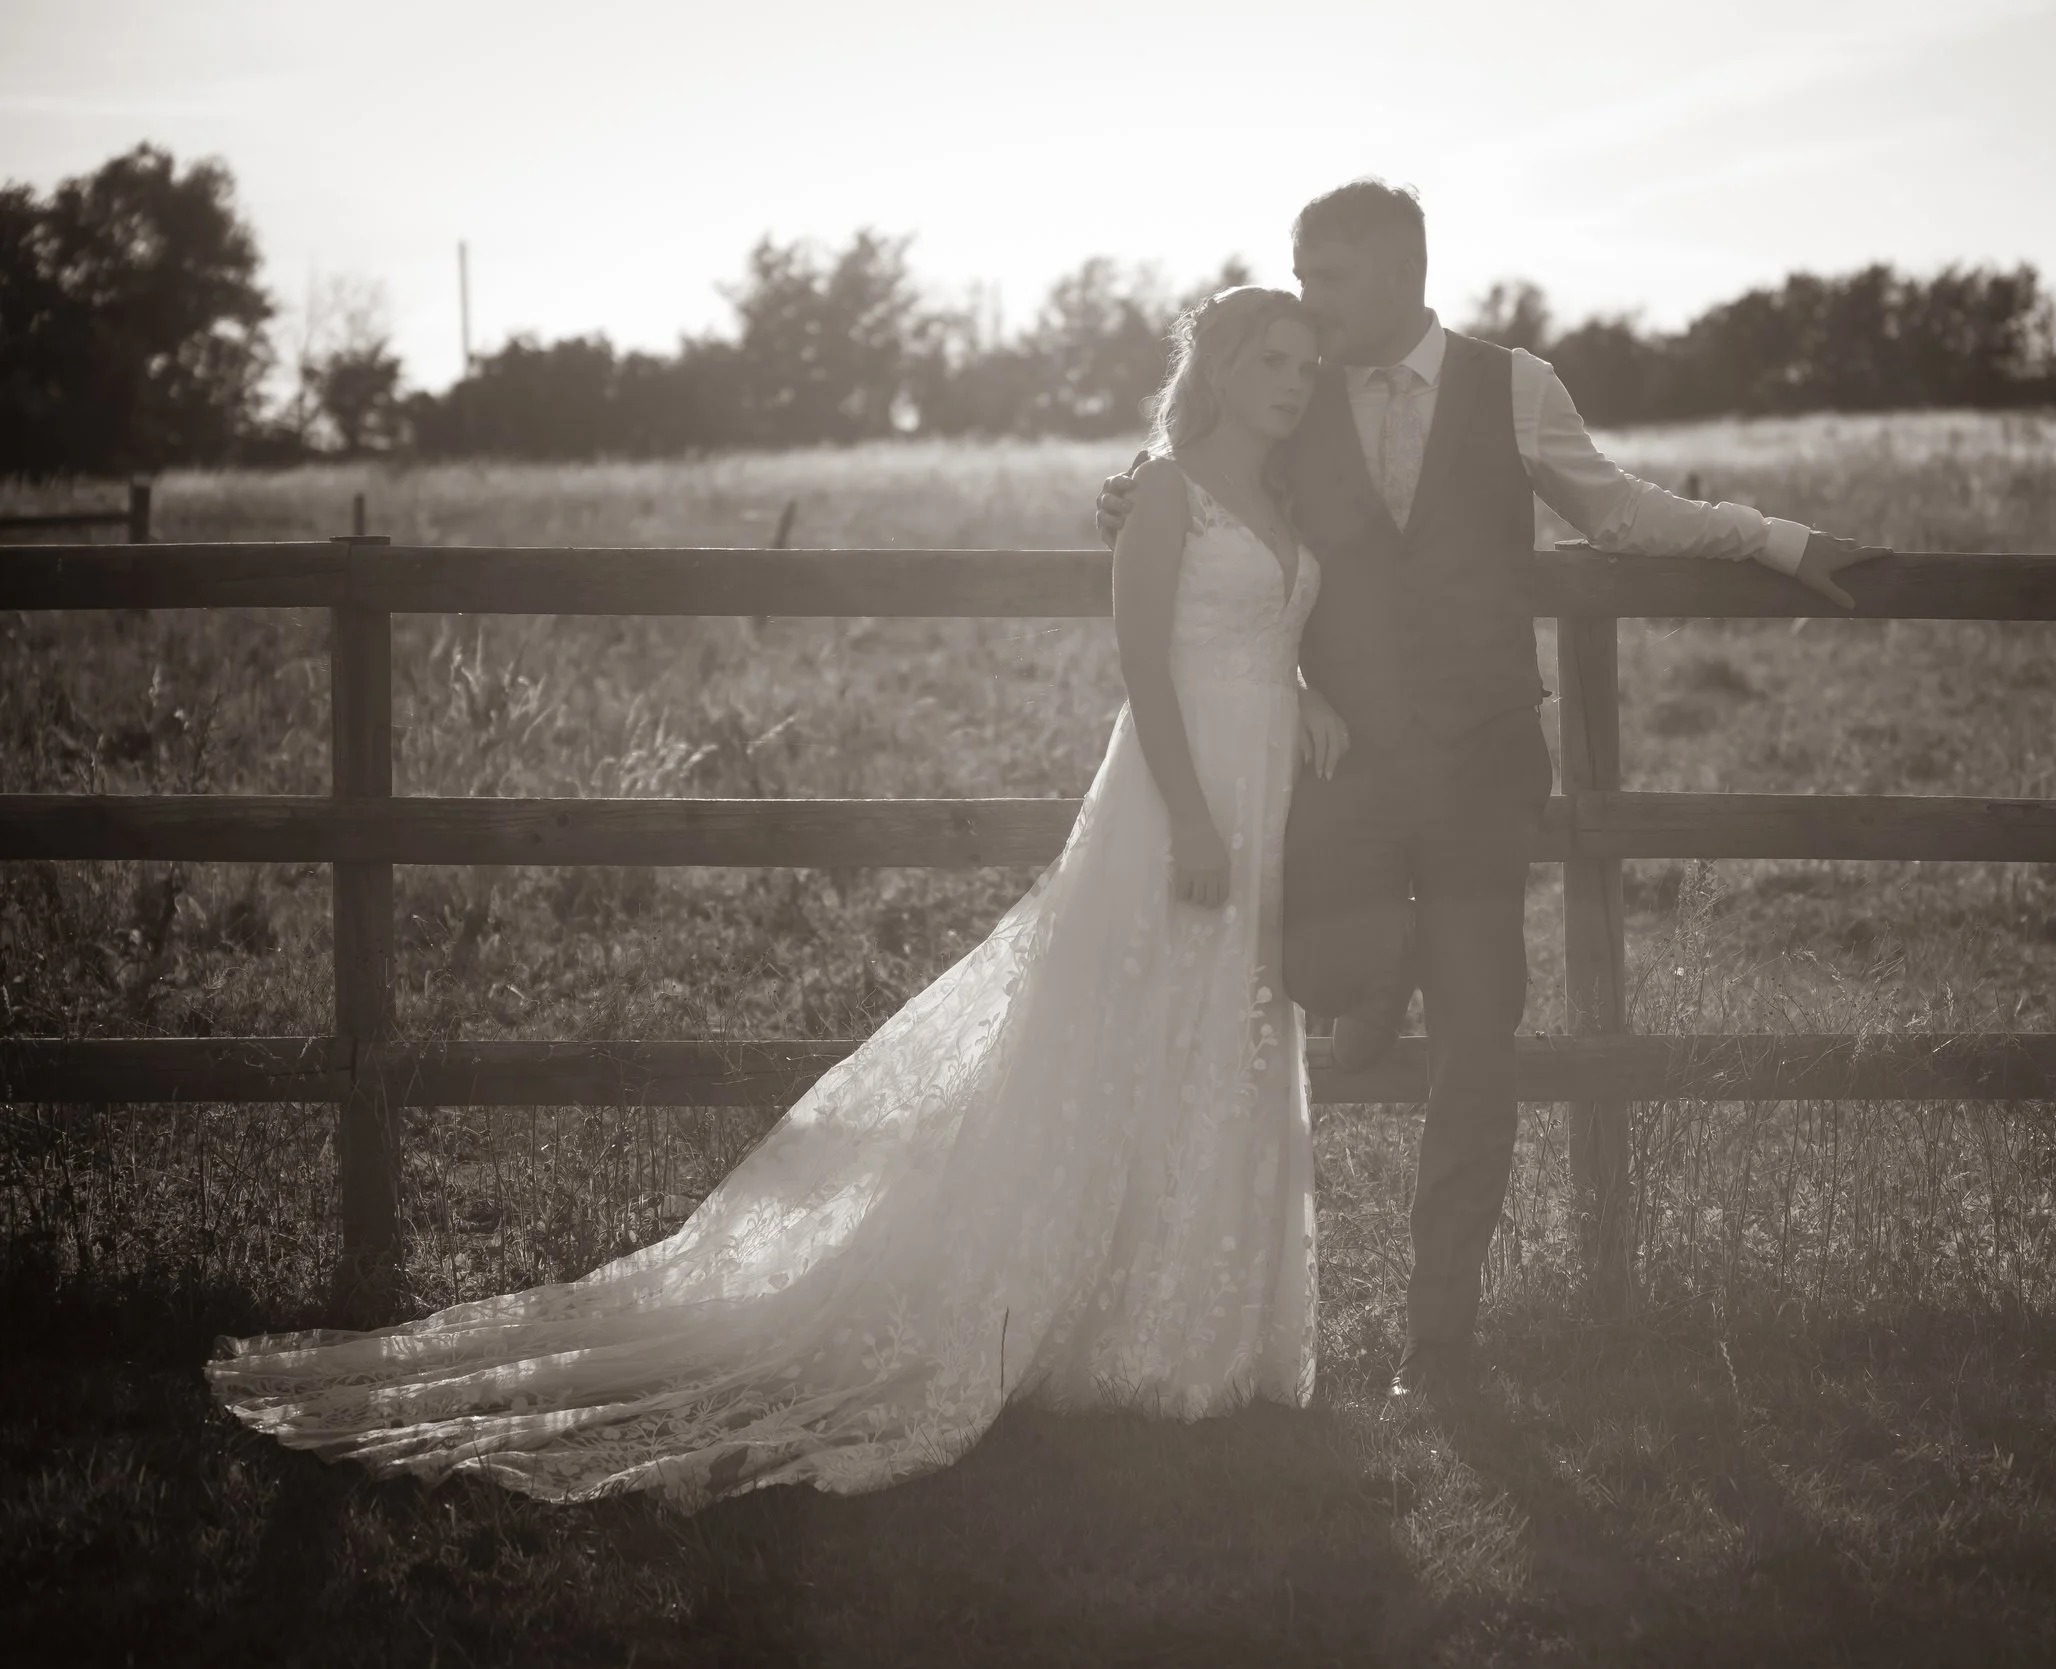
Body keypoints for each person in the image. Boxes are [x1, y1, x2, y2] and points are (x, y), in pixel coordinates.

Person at [206, 287, 1341, 1509]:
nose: (1296, 379)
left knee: (1225, 1033)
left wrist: (1305, 691)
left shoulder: (1286, 493)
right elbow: (1139, 660)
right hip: (1178, 798)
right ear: (1218, 370)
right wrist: (1189, 813)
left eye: (1307, 363)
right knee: (1125, 1033)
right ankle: (1072, 1319)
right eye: (1273, 359)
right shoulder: (1166, 490)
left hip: (1272, 779)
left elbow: (1265, 628)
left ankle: (1193, 1330)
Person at [1094, 180, 1881, 1406]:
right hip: (1347, 777)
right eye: (1298, 278)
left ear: (1403, 271)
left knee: (1478, 1041)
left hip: (1477, 772)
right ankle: (1379, 978)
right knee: (1309, 969)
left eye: (1328, 276)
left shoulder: (1514, 385)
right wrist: (1129, 489)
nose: (1308, 302)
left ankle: (1438, 1341)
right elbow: (1205, 471)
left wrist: (1773, 537)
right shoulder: (1299, 392)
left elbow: (1615, 509)